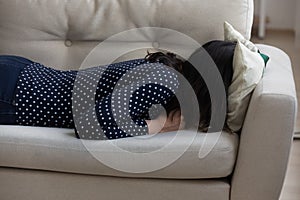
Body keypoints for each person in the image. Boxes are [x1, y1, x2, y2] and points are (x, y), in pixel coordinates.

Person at [0, 40, 236, 140]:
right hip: (17, 94)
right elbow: (88, 125)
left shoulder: (172, 76)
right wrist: (158, 126)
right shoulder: (166, 81)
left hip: (22, 78)